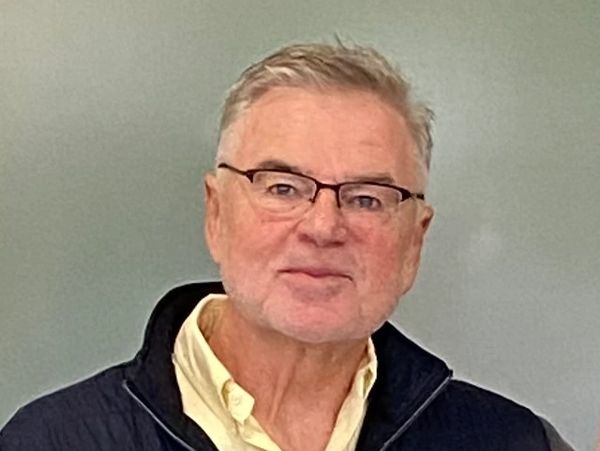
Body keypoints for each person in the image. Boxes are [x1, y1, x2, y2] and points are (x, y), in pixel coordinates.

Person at [0, 43, 573, 451]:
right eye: (282, 188)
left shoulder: (513, 441)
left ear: (413, 242)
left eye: (367, 198)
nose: (323, 227)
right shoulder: (50, 441)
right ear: (216, 214)